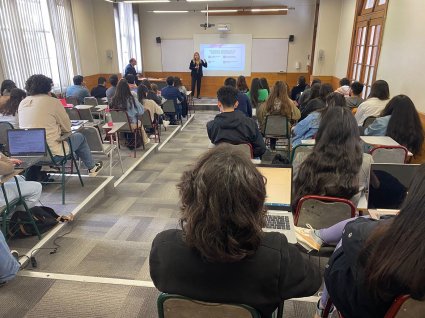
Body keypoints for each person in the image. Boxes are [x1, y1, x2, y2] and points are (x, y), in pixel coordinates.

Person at [150, 144, 322, 318]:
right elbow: (313, 282)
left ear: (189, 196)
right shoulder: (277, 256)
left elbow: (160, 281)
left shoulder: (164, 248)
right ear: (255, 202)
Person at [296, 164, 425, 318]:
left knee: (349, 240)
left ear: (414, 197)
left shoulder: (374, 244)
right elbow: (376, 184)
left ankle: (322, 307)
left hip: (364, 306)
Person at [19, 74, 103, 176]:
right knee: (80, 137)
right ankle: (92, 168)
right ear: (47, 87)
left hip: (29, 154)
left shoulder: (23, 103)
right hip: (52, 154)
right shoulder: (53, 102)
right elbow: (67, 128)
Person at [294, 106, 372, 207]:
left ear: (322, 131)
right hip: (346, 221)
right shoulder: (366, 161)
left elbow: (294, 191)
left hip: (305, 219)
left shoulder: (302, 157)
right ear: (355, 133)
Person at [206, 86, 266, 158]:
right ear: (236, 104)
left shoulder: (211, 126)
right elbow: (261, 148)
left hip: (222, 164)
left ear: (219, 104)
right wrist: (248, 154)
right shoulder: (251, 123)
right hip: (245, 164)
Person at [257, 81, 300, 150]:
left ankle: (271, 145)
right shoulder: (289, 102)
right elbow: (297, 116)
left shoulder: (267, 102)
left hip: (267, 130)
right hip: (284, 130)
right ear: (285, 90)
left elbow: (260, 116)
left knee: (272, 126)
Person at [110, 79, 149, 145]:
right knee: (139, 122)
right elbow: (141, 111)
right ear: (127, 88)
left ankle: (123, 140)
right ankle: (145, 140)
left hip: (117, 125)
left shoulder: (113, 100)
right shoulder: (131, 99)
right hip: (130, 124)